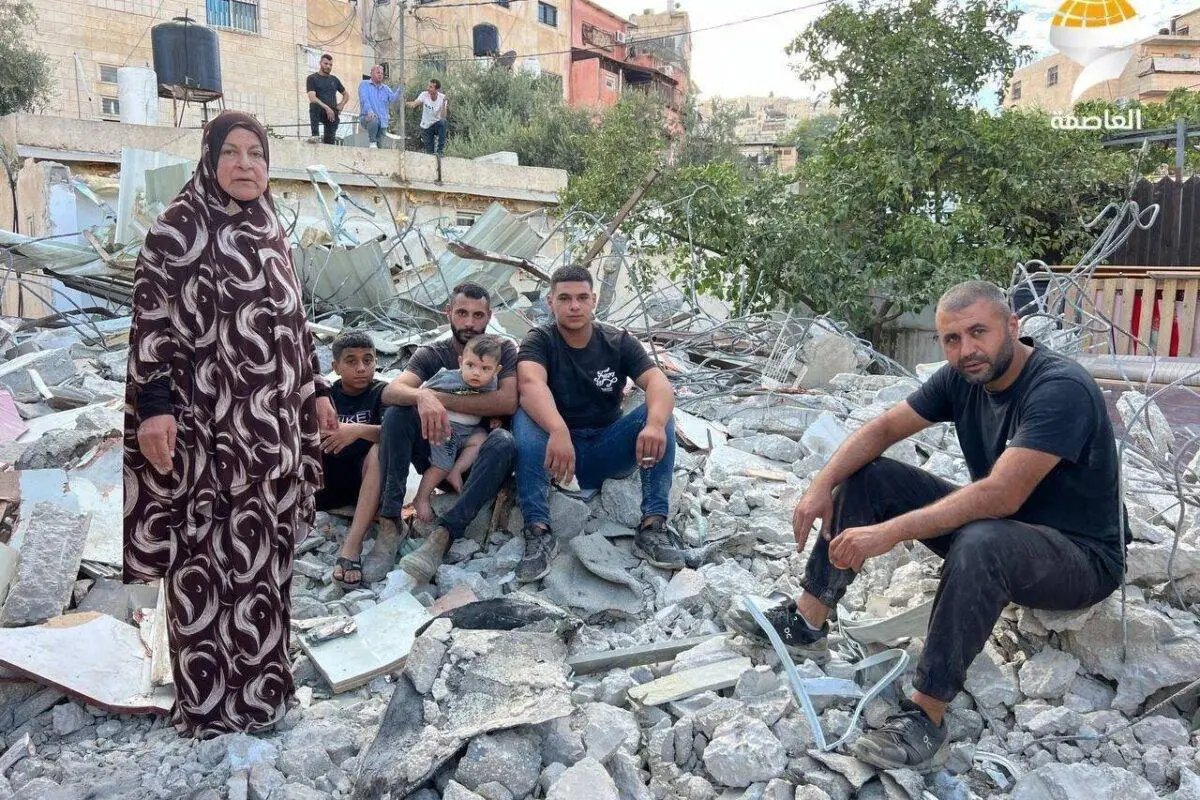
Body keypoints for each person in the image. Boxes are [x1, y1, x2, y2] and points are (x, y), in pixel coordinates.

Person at [726, 280, 1126, 771]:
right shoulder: (964, 377)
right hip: (1009, 529)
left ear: (1012, 326)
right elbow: (884, 429)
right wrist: (820, 485)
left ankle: (926, 715)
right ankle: (806, 622)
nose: (966, 349)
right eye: (952, 339)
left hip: (1080, 557)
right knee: (870, 476)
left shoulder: (1059, 389)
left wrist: (888, 533)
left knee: (982, 540)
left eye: (978, 332)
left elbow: (1002, 495)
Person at [124, 112, 338, 738]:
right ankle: (209, 708)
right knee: (205, 559)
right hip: (206, 431)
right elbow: (151, 322)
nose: (246, 164)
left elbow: (294, 322)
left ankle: (264, 695)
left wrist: (316, 390)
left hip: (274, 429)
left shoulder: (269, 226)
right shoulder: (178, 228)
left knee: (265, 557)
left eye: (257, 153)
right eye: (232, 152)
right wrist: (154, 408)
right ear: (209, 157)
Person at [514, 265, 680, 583]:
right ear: (550, 302)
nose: (574, 306)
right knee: (525, 413)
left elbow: (658, 382)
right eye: (565, 298)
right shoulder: (540, 340)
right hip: (557, 458)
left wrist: (655, 424)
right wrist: (558, 430)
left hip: (606, 449)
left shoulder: (617, 341)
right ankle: (538, 531)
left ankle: (653, 527)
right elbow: (530, 384)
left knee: (658, 415)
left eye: (581, 297)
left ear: (594, 299)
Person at [367, 283, 518, 585]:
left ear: (489, 316)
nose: (469, 323)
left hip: (475, 467)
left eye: (478, 315)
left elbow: (507, 401)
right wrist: (421, 396)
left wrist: (437, 398)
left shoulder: (502, 349)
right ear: (448, 312)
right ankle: (390, 521)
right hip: (436, 452)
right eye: (462, 313)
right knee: (398, 413)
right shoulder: (433, 353)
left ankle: (444, 535)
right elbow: (392, 391)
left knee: (504, 442)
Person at [317, 331, 387, 588]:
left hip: (366, 486)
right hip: (327, 484)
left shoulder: (382, 392)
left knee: (379, 449)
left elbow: (399, 434)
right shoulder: (326, 397)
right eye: (351, 361)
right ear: (335, 366)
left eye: (368, 360)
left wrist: (355, 430)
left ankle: (352, 546)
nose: (361, 368)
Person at [411, 334, 504, 524]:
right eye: (470, 365)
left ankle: (457, 470)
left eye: (485, 368)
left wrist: (495, 416)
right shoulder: (447, 378)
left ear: (496, 370)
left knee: (482, 439)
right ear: (461, 362)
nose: (476, 373)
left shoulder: (492, 384)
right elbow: (422, 393)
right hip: (445, 429)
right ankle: (421, 497)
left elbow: (494, 404)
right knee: (441, 465)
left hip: (469, 430)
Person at [306, 53, 347, 145]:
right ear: (320, 63)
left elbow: (346, 94)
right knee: (314, 105)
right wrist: (327, 108)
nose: (328, 66)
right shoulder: (312, 78)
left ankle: (329, 142)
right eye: (326, 64)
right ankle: (315, 135)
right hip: (320, 111)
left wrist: (342, 104)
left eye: (330, 65)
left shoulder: (334, 80)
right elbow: (312, 98)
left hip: (332, 114)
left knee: (329, 143)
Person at [358, 65, 400, 149]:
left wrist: (400, 88)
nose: (380, 74)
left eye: (381, 73)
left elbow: (393, 99)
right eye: (378, 72)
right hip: (367, 117)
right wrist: (370, 111)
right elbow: (364, 99)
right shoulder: (364, 84)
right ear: (371, 73)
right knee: (374, 120)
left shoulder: (385, 88)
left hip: (383, 121)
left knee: (381, 146)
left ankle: (376, 148)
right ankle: (372, 142)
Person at [405, 78, 447, 155]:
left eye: (431, 87)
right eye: (428, 86)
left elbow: (443, 117)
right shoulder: (424, 94)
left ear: (437, 89)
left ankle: (440, 150)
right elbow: (414, 104)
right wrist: (405, 103)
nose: (428, 88)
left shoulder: (442, 98)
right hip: (426, 126)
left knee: (443, 123)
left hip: (436, 124)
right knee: (429, 152)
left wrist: (444, 103)